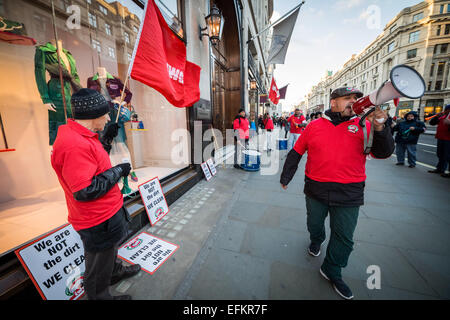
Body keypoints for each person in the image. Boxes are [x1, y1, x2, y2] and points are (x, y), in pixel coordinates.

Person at [280, 87, 394, 300]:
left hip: (349, 191)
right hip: (316, 187)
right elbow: (296, 151)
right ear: (334, 102)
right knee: (314, 223)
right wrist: (285, 176)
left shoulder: (366, 124)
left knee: (344, 236)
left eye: (356, 98)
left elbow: (384, 151)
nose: (353, 101)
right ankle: (317, 238)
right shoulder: (314, 125)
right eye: (347, 98)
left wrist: (381, 127)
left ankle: (332, 269)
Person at [51, 88, 141, 300]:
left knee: (109, 252)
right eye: (105, 115)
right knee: (98, 263)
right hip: (96, 219)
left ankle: (114, 272)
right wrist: (118, 171)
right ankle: (100, 295)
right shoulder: (74, 144)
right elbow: (84, 190)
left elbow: (92, 164)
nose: (108, 117)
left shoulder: (83, 136)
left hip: (107, 212)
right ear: (92, 117)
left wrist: (105, 141)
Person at [427, 104, 450, 178]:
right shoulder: (442, 117)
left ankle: (447, 171)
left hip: (448, 139)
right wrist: (436, 116)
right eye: (446, 109)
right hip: (441, 138)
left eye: (447, 110)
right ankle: (439, 169)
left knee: (447, 156)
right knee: (440, 154)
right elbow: (432, 123)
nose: (446, 111)